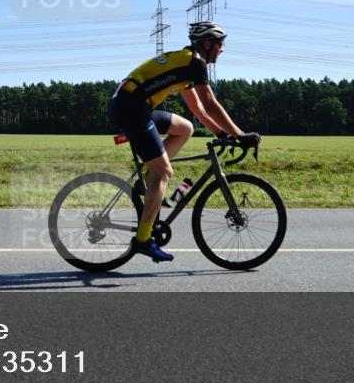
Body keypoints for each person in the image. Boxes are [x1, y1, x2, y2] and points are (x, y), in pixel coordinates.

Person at [108, 21, 261, 263]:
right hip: (131, 109)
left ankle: (148, 180)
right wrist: (240, 135)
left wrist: (222, 134)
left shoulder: (186, 62)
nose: (222, 49)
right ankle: (143, 240)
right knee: (165, 172)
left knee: (185, 128)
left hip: (133, 106)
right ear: (207, 43)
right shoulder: (194, 62)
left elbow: (197, 108)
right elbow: (210, 103)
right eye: (220, 44)